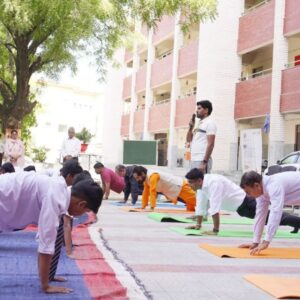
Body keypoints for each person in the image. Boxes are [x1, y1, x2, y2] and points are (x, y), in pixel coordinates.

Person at [0, 171, 103, 294]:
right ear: (81, 204)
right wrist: (46, 286)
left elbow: (52, 240)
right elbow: (46, 246)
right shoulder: (54, 198)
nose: (83, 215)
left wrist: (49, 276)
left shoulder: (59, 190)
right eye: (86, 211)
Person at [185, 168, 300, 234]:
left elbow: (215, 207)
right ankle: (296, 223)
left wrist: (215, 230)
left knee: (275, 217)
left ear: (199, 180)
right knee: (273, 217)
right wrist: (198, 225)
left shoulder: (213, 182)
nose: (189, 185)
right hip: (240, 207)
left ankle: (296, 222)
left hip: (245, 202)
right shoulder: (201, 187)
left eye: (191, 182)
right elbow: (200, 205)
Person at [239, 171, 300, 255]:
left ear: (256, 185)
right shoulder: (261, 191)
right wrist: (255, 241)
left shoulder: (274, 185)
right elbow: (260, 215)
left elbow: (276, 212)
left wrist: (266, 241)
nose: (248, 195)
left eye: (248, 192)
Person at [186, 100, 217, 173]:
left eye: (199, 108)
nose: (196, 111)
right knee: (193, 183)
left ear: (206, 110)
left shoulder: (210, 123)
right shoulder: (198, 124)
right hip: (193, 159)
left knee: (202, 183)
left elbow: (211, 144)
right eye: (197, 109)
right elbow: (188, 140)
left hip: (201, 159)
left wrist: (204, 162)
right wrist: (190, 128)